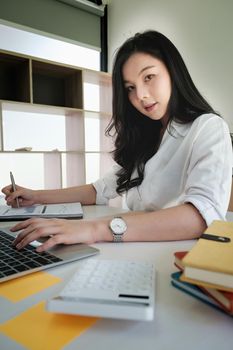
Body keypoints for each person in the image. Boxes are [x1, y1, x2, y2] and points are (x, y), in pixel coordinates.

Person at [2, 30, 232, 252]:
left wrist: (93, 229)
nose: (140, 95)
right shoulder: (145, 136)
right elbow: (98, 190)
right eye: (130, 88)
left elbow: (200, 217)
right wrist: (35, 196)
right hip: (133, 249)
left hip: (174, 256)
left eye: (149, 77)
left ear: (173, 72)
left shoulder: (208, 127)